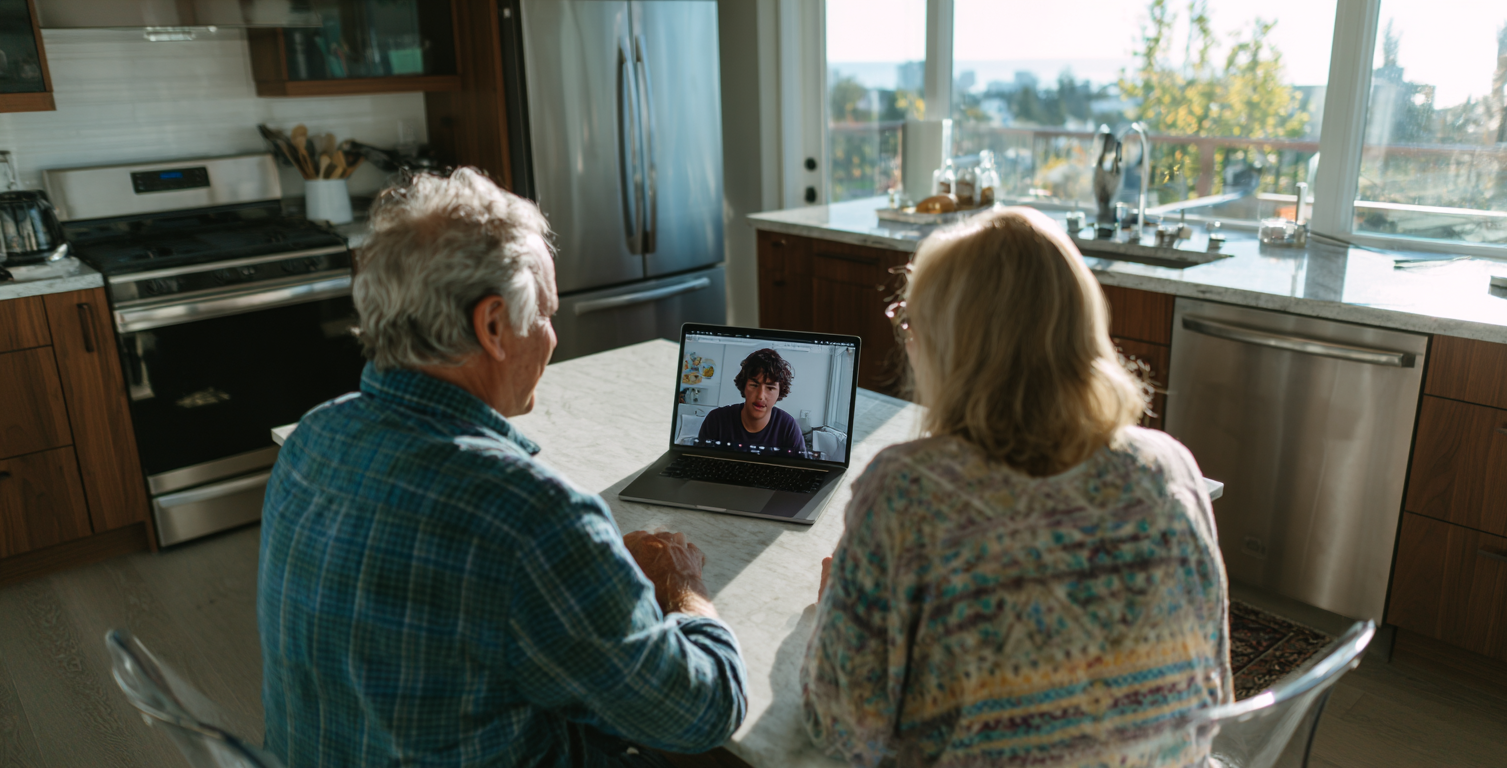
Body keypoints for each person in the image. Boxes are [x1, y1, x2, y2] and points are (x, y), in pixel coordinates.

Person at [258, 169, 747, 768]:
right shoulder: (532, 517)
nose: (552, 338)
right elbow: (705, 708)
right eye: (545, 315)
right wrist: (682, 585)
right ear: (493, 326)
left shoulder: (312, 439)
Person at [801, 207, 1230, 767]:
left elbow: (843, 733)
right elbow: (1212, 689)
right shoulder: (1172, 467)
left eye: (911, 323)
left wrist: (831, 615)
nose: (908, 340)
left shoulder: (907, 491)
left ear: (950, 345)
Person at [696, 348, 808, 456]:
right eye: (754, 385)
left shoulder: (788, 427)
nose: (760, 396)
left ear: (780, 392)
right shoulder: (716, 420)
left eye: (770, 388)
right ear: (744, 386)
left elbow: (802, 471)